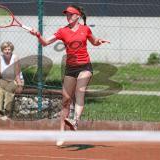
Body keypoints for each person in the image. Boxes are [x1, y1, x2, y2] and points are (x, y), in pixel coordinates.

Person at [30, 5, 109, 145]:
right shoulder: (62, 31)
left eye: (71, 14)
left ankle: (75, 121)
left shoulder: (86, 29)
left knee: (80, 92)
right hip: (70, 68)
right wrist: (38, 35)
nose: (68, 16)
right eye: (67, 14)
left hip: (85, 67)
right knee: (65, 100)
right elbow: (46, 43)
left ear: (78, 16)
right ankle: (62, 133)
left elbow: (94, 41)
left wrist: (99, 42)